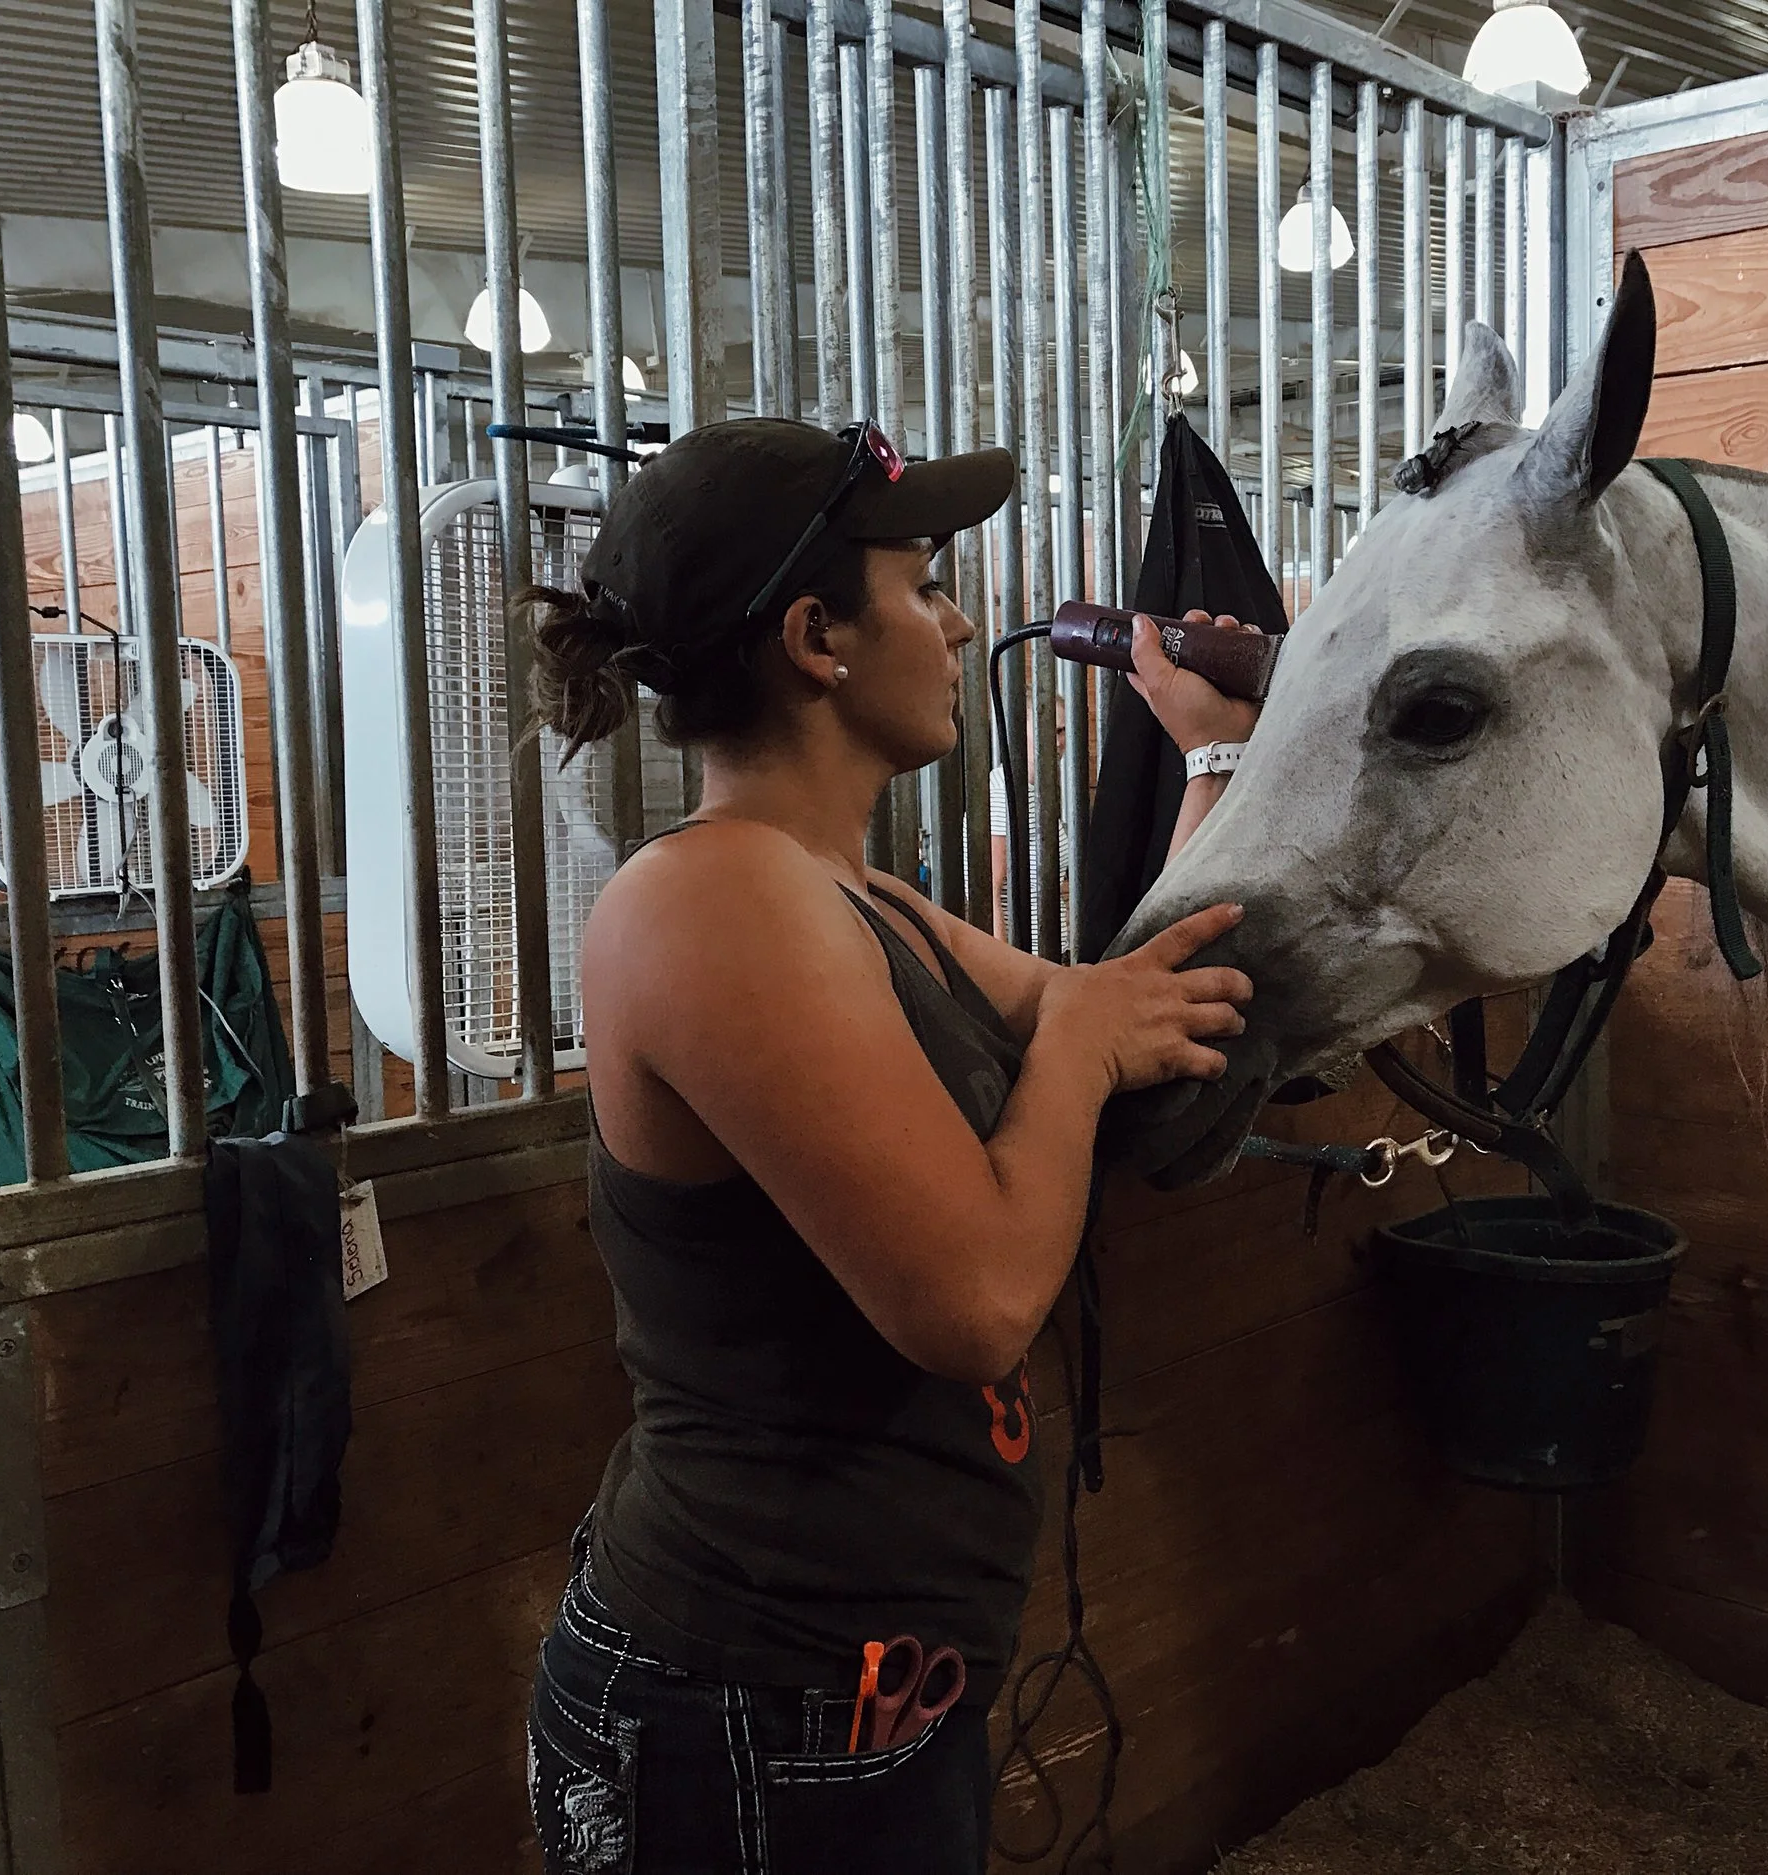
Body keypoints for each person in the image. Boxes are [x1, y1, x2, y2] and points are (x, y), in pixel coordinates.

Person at [518, 416, 1261, 1875]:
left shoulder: (863, 900)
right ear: (817, 639)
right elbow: (974, 1302)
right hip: (744, 1708)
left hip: (854, 1696)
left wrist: (1215, 752)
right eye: (923, 585)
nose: (962, 620)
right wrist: (1078, 1042)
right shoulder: (710, 903)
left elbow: (1127, 1005)